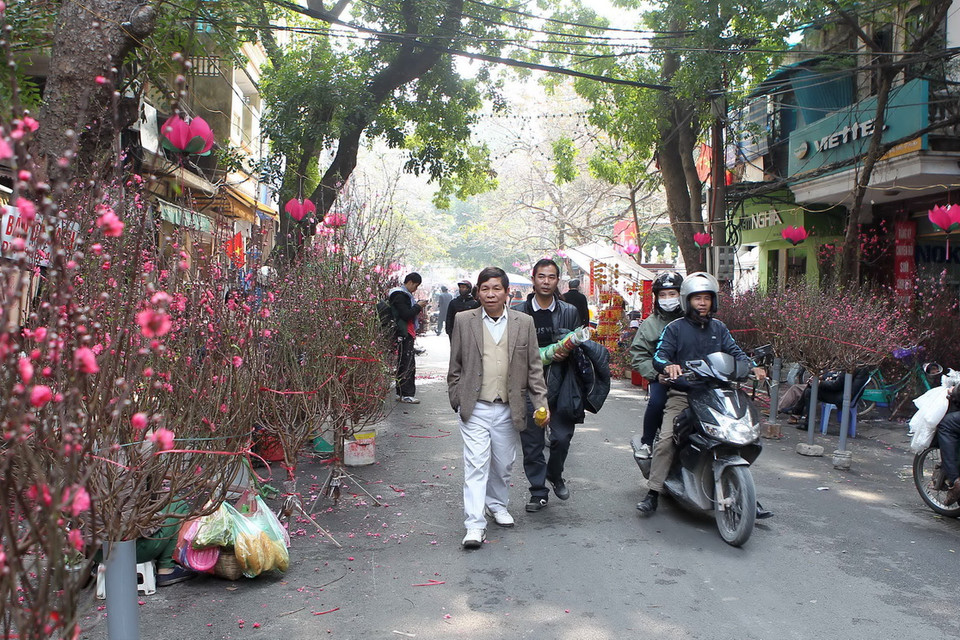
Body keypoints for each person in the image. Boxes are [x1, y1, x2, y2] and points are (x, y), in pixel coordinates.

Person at [637, 272, 767, 515]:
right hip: (684, 394)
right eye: (697, 298)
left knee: (745, 435)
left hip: (718, 393)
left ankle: (742, 490)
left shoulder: (720, 328)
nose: (702, 303)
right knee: (666, 440)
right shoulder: (675, 328)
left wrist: (752, 366)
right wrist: (668, 366)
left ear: (713, 301)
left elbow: (736, 352)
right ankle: (653, 492)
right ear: (687, 300)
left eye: (707, 298)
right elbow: (659, 355)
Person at [447, 267, 549, 549]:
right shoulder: (464, 320)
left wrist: (541, 403)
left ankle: (497, 504)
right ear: (478, 292)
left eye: (496, 289)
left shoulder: (523, 322)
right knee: (476, 465)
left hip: (508, 407)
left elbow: (534, 368)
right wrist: (456, 397)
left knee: (503, 464)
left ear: (507, 293)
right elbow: (455, 364)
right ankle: (474, 524)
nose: (490, 294)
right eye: (485, 289)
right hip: (475, 407)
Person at [515, 259, 595, 512]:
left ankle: (554, 473)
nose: (546, 281)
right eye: (541, 276)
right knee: (533, 442)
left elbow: (579, 344)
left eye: (551, 277)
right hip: (528, 383)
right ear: (533, 279)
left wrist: (568, 349)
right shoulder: (518, 311)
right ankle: (538, 491)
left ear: (557, 281)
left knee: (561, 437)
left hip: (563, 382)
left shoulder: (569, 311)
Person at [629, 271, 685, 460]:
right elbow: (638, 355)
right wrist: (656, 374)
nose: (668, 299)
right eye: (663, 295)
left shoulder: (692, 320)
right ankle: (647, 442)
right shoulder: (650, 324)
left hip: (693, 377)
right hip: (662, 377)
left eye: (672, 294)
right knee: (657, 402)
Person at [388, 273, 423, 404]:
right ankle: (406, 394)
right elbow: (406, 314)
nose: (415, 289)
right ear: (410, 282)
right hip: (404, 333)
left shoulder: (401, 294)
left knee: (404, 363)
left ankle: (401, 393)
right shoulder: (400, 295)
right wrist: (418, 306)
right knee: (407, 364)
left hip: (406, 333)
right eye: (416, 286)